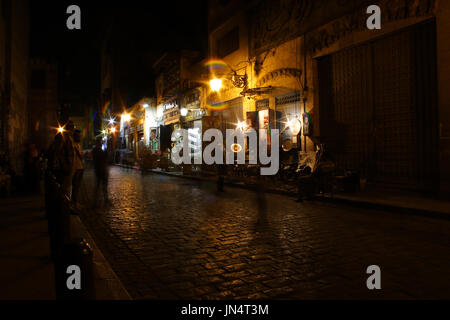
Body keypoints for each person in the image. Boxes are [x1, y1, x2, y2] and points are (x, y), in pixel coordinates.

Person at [59, 121, 76, 200]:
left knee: (68, 186)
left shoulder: (69, 138)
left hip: (69, 166)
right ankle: (65, 206)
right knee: (66, 187)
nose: (73, 130)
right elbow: (62, 153)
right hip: (67, 167)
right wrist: (66, 165)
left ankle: (66, 204)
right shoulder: (66, 138)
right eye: (72, 128)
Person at [92, 137, 109, 206]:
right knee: (101, 185)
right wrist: (105, 152)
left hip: (100, 169)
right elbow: (103, 158)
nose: (102, 143)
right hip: (100, 170)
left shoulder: (98, 149)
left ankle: (99, 199)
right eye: (101, 141)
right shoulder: (97, 150)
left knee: (100, 185)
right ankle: (99, 200)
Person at [71, 129, 84, 209]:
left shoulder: (78, 145)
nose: (79, 137)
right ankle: (73, 203)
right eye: (78, 136)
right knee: (74, 187)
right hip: (74, 168)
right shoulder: (72, 145)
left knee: (77, 187)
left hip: (80, 168)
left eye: (80, 136)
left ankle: (75, 202)